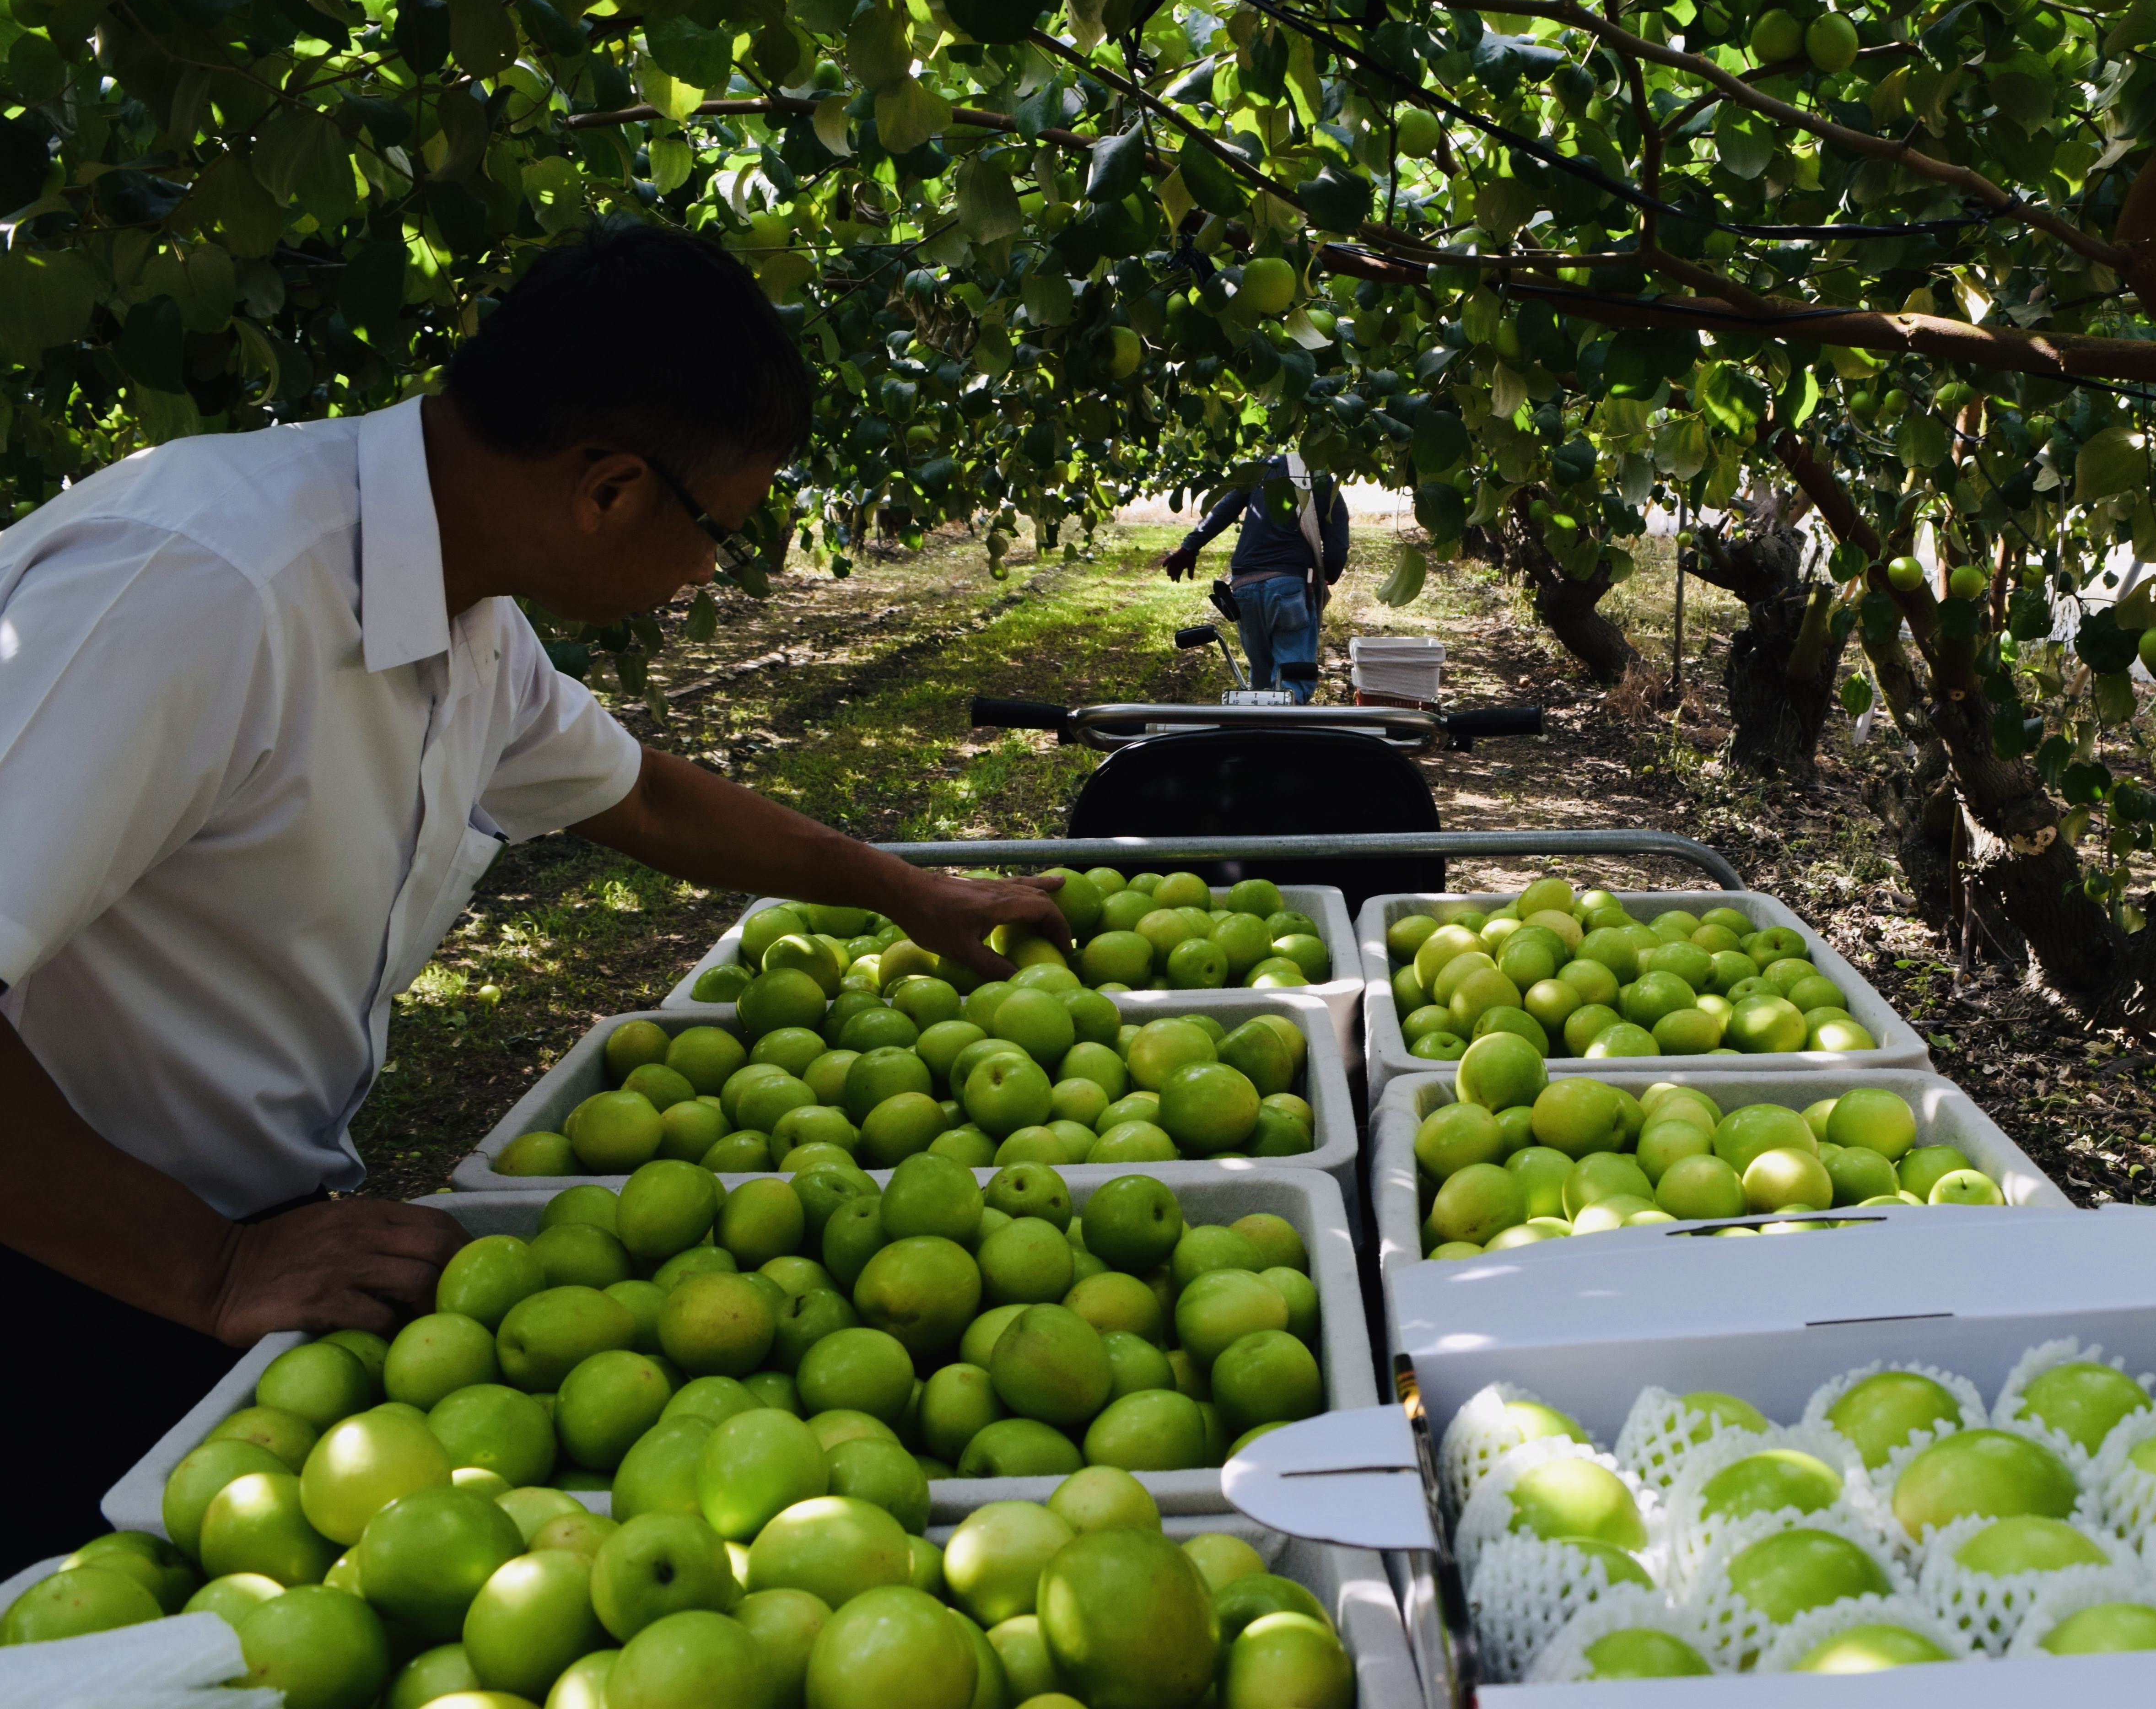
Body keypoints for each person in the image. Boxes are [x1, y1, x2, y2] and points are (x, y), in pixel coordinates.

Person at [0, 225, 1067, 1569]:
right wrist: (201, 1267)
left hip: (215, 1245)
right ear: (613, 489)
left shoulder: (458, 614)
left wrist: (906, 893)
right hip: (57, 1261)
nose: (709, 576)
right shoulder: (202, 589)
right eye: (721, 531)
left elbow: (644, 796)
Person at [1160, 453, 1349, 700]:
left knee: (1261, 678)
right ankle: (1284, 731)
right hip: (1289, 586)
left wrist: (1189, 549)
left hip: (1244, 587)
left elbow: (1224, 509)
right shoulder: (1321, 480)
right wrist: (1330, 574)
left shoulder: (1262, 471)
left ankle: (1259, 731)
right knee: (1291, 679)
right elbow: (1337, 546)